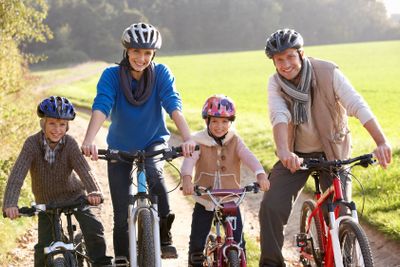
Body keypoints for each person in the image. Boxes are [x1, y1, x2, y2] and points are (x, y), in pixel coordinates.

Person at [258, 28, 392, 266]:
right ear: (274, 62)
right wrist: (284, 152)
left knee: (342, 212)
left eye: (290, 56)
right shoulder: (275, 83)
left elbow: (356, 104)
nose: (286, 64)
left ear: (301, 53)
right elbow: (278, 116)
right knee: (271, 206)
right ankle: (271, 263)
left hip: (333, 153)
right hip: (296, 155)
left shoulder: (328, 72)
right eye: (279, 60)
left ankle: (345, 258)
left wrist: (380, 141)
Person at [81, 22, 196, 262]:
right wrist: (89, 139)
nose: (141, 58)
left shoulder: (162, 73)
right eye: (136, 51)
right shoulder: (111, 76)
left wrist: (187, 139)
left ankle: (164, 236)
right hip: (119, 146)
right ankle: (122, 258)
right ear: (127, 51)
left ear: (153, 54)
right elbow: (102, 105)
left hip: (153, 140)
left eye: (147, 53)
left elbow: (173, 104)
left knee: (154, 174)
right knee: (121, 211)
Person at [2, 96, 112, 267]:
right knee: (43, 248)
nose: (57, 129)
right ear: (43, 124)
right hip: (47, 203)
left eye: (62, 125)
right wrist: (10, 203)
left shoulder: (70, 144)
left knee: (94, 229)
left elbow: (84, 169)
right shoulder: (31, 144)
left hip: (74, 196)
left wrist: (94, 191)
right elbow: (17, 174)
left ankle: (102, 264)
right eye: (52, 123)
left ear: (67, 126)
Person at [181, 94, 270, 267]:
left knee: (238, 242)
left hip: (230, 199)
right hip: (206, 198)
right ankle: (195, 260)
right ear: (207, 121)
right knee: (197, 243)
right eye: (214, 121)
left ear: (231, 122)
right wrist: (186, 179)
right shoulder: (198, 141)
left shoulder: (235, 140)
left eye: (224, 122)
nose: (219, 126)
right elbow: (189, 161)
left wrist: (260, 174)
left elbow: (249, 157)